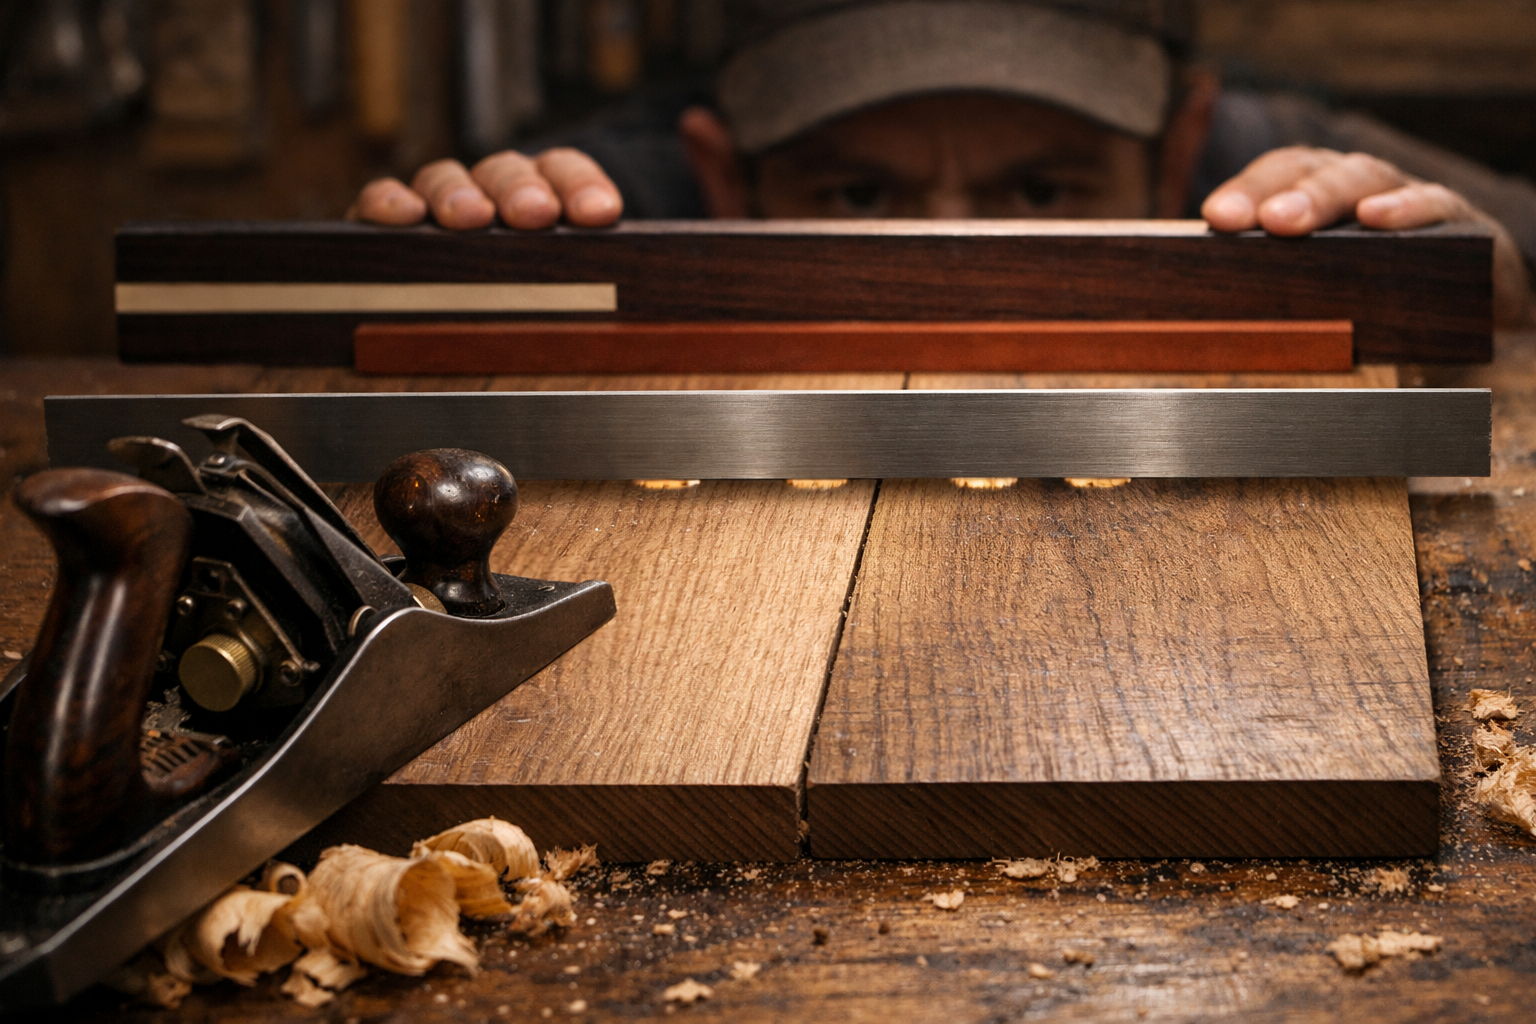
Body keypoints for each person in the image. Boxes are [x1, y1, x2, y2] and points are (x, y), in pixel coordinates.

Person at [351, 0, 1533, 326]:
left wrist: (1494, 287)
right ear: (723, 177)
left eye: (1043, 190)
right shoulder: (610, 205)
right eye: (860, 194)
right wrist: (427, 288)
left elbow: (1503, 251)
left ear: (1179, 148)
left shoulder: (1271, 179)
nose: (961, 252)